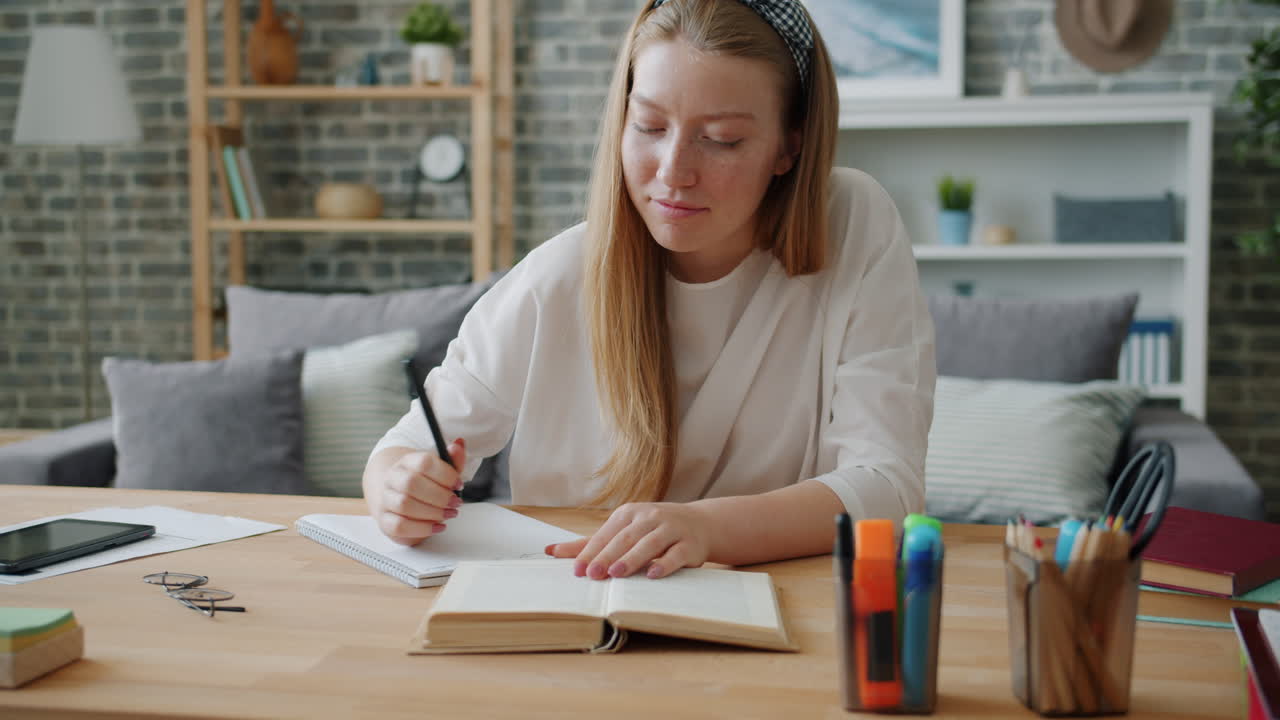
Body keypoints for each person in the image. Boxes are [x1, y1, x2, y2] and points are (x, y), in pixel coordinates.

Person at [363, 0, 935, 581]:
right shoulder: (560, 273)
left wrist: (706, 529)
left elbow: (888, 488)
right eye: (651, 127)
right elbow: (404, 449)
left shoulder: (853, 224)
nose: (673, 171)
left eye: (723, 139)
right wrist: (398, 489)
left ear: (790, 146)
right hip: (573, 597)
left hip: (777, 605)